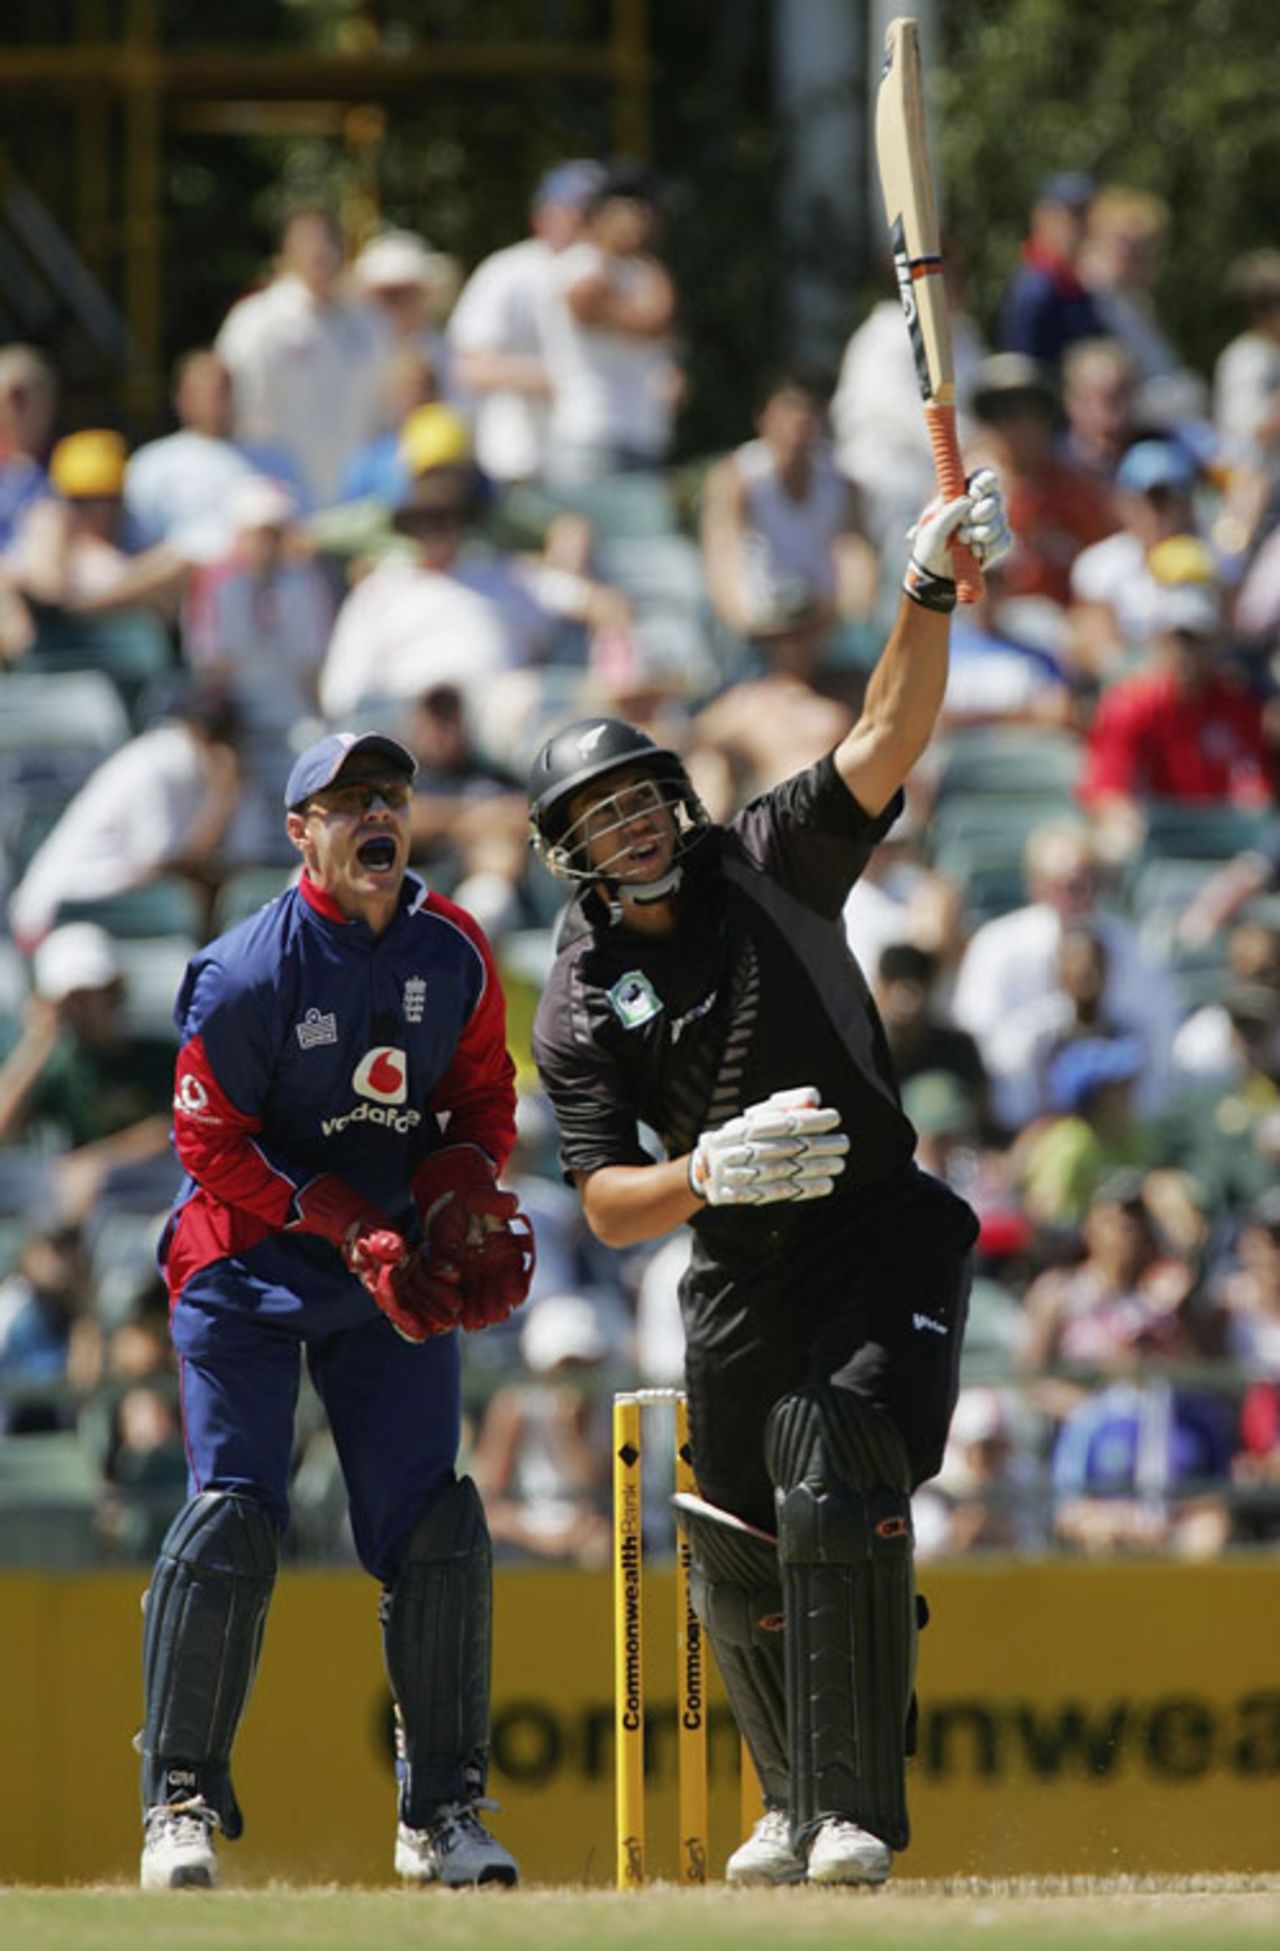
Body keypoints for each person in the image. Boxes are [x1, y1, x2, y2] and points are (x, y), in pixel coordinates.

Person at [526, 472, 1013, 1886]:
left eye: (641, 796)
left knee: (830, 1453)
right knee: (733, 1529)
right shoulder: (576, 993)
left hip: (879, 1226)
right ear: (571, 855)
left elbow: (884, 728)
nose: (633, 824)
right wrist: (707, 1168)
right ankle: (789, 1803)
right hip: (735, 1252)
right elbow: (611, 1205)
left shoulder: (767, 858)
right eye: (600, 816)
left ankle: (856, 1807)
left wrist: (923, 587)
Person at [135, 728, 535, 1891]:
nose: (379, 812)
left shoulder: (451, 948)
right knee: (234, 1518)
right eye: (349, 796)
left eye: (393, 795)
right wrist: (342, 1220)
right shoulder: (247, 971)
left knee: (434, 1526)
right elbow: (207, 1140)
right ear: (300, 828)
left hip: (386, 1276)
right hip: (246, 1269)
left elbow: (483, 1097)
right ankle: (178, 1803)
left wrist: (459, 1189)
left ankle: (441, 1814)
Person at [699, 368, 877, 681]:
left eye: (808, 411)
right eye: (789, 409)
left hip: (823, 626)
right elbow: (722, 563)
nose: (800, 422)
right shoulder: (736, 480)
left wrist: (839, 615)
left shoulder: (844, 485)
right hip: (757, 629)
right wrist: (752, 623)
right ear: (763, 418)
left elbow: (857, 561)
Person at [215, 205, 387, 508]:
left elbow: (383, 409)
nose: (320, 252)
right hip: (279, 500)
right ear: (286, 250)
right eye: (308, 241)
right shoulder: (256, 322)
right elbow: (239, 414)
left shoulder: (367, 324)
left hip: (354, 499)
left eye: (330, 241)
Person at [448, 158, 606, 487]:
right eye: (577, 208)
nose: (586, 220)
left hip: (596, 458)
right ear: (542, 216)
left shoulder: (615, 276)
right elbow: (470, 367)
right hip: (520, 463)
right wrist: (565, 377)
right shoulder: (508, 271)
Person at [998, 171, 1106, 373]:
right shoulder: (1035, 289)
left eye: (1088, 215)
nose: (1083, 226)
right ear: (1042, 217)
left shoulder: (1076, 283)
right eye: (1075, 214)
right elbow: (1025, 372)